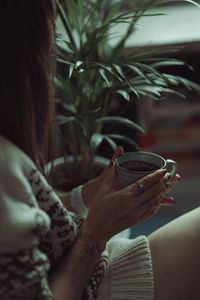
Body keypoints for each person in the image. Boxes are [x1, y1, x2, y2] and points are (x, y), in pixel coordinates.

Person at [0, 1, 199, 300]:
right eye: (50, 35)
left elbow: (28, 215)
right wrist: (95, 235)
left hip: (80, 265)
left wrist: (86, 196)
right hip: (91, 282)